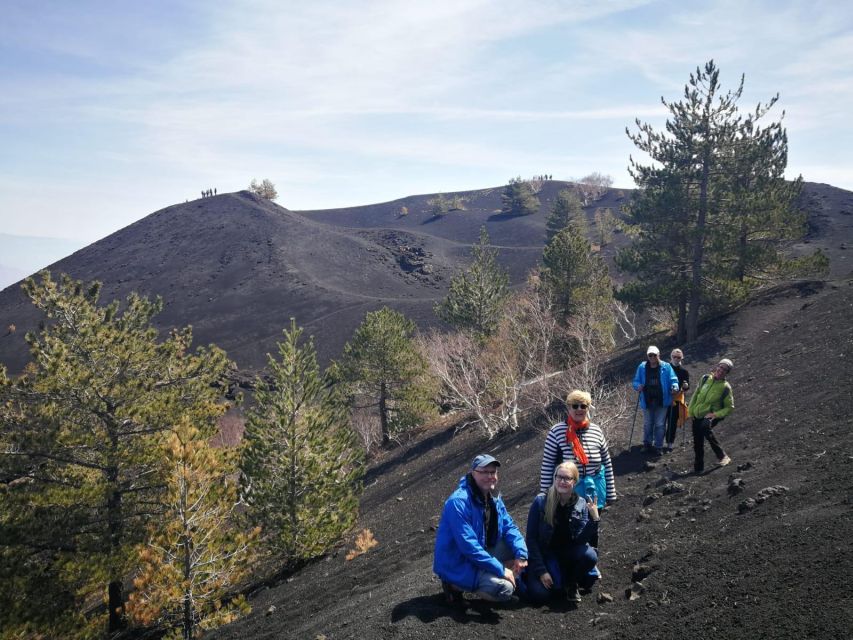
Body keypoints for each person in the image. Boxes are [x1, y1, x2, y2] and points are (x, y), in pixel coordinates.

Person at [433, 454, 528, 604]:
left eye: (493, 472)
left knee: (519, 551)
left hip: (481, 551)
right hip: (459, 561)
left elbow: (510, 527)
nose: (490, 476)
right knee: (505, 589)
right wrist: (501, 569)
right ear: (473, 473)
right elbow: (469, 547)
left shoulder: (492, 497)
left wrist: (521, 554)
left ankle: (491, 574)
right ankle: (453, 585)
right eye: (485, 472)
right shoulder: (458, 502)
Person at [524, 462, 599, 603]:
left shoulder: (581, 504)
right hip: (545, 554)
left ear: (575, 482)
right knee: (540, 595)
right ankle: (548, 577)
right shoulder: (541, 501)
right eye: (559, 477)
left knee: (590, 556)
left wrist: (594, 519)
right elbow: (531, 539)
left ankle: (571, 582)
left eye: (567, 478)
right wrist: (542, 571)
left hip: (567, 553)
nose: (562, 481)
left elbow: (580, 541)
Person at [539, 390, 616, 509]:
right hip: (568, 493)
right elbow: (547, 465)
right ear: (568, 408)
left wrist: (611, 493)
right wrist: (545, 495)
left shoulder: (596, 431)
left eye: (583, 406)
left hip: (595, 491)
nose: (579, 409)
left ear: (588, 408)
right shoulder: (556, 432)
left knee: (593, 524)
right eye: (575, 406)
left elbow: (606, 462)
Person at [688, 358, 735, 474]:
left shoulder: (725, 387)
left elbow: (729, 407)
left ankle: (723, 456)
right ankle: (698, 468)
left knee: (705, 428)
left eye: (725, 369)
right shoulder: (705, 378)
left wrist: (715, 414)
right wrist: (690, 411)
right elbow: (696, 394)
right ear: (717, 366)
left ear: (727, 373)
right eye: (721, 367)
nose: (721, 370)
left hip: (711, 415)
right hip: (697, 414)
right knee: (697, 441)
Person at [632, 345, 680, 455]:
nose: (652, 357)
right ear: (647, 356)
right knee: (648, 424)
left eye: (654, 355)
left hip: (662, 401)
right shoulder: (642, 367)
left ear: (658, 355)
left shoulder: (666, 366)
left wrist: (675, 387)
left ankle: (658, 446)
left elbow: (673, 379)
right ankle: (647, 444)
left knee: (659, 424)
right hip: (647, 400)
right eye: (650, 355)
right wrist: (637, 386)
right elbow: (636, 381)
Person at [664, 348, 691, 452]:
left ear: (682, 358)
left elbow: (687, 386)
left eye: (678, 357)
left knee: (672, 422)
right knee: (661, 422)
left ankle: (669, 443)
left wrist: (685, 386)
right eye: (674, 356)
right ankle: (657, 442)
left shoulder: (684, 372)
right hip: (664, 398)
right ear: (671, 357)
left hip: (676, 400)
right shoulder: (665, 368)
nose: (676, 359)